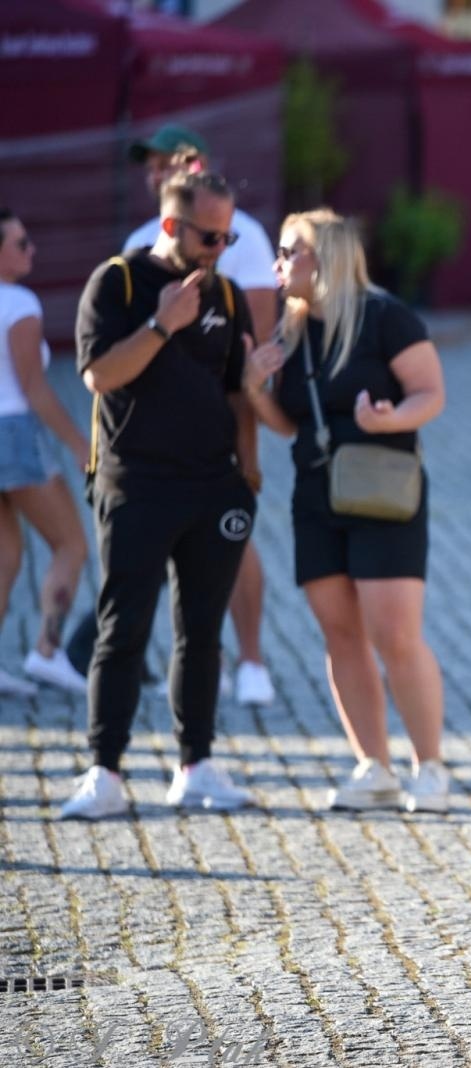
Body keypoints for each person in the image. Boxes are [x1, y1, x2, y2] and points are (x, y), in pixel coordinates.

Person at [63, 170, 260, 819]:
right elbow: (97, 374)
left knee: (201, 634)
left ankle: (195, 766)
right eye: (210, 235)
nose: (220, 248)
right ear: (171, 226)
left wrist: (247, 473)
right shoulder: (116, 283)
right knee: (123, 630)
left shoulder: (228, 296)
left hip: (212, 488)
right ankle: (105, 772)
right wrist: (161, 323)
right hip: (136, 485)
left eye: (228, 235)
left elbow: (236, 392)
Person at [241, 210, 450, 813]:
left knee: (395, 634)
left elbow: (431, 393)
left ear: (324, 255)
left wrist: (391, 419)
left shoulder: (385, 316)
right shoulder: (294, 328)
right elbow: (290, 425)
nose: (278, 264)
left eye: (289, 251)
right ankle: (373, 766)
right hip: (316, 493)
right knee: (340, 633)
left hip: (385, 489)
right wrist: (255, 389)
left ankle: (429, 766)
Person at [125, 123, 277, 706]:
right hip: (156, 422)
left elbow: (256, 334)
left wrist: (250, 434)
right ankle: (186, 661)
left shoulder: (246, 236)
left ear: (201, 165)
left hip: (221, 413)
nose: (157, 172)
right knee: (166, 544)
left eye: (171, 162)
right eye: (151, 164)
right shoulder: (139, 239)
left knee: (232, 535)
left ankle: (253, 660)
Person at [0, 209, 90, 696]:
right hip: (12, 432)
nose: (31, 251)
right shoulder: (18, 303)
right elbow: (33, 388)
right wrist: (78, 443)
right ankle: (47, 652)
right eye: (21, 243)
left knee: (5, 555)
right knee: (71, 544)